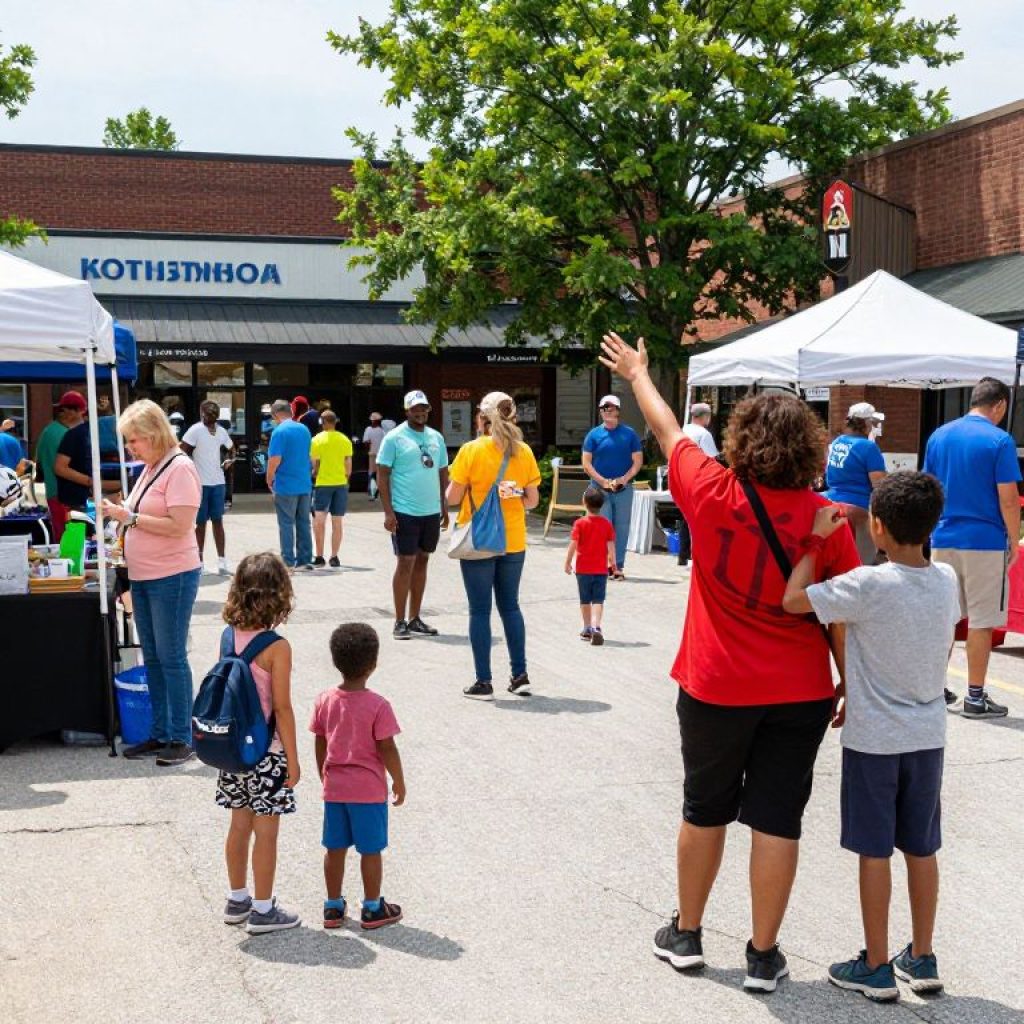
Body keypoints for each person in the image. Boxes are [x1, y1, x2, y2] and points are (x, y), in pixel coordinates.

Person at [599, 332, 859, 994]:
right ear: (809, 447)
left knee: (703, 807)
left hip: (715, 684)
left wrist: (636, 373)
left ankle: (686, 932)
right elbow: (840, 618)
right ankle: (763, 954)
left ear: (740, 440)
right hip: (799, 691)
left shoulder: (708, 489)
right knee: (777, 817)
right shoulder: (826, 518)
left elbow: (664, 427)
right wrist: (850, 685)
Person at [783, 473, 959, 1001]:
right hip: (927, 734)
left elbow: (794, 600)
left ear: (877, 526)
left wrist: (816, 538)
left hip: (874, 737)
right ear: (932, 526)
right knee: (922, 847)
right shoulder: (947, 579)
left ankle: (876, 964)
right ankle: (922, 956)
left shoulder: (865, 583)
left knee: (875, 850)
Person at [103, 399, 203, 768]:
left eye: (134, 441)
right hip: (146, 574)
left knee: (171, 657)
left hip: (171, 575)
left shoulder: (180, 468)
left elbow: (180, 526)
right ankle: (162, 732)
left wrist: (130, 517)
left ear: (154, 434)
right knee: (156, 658)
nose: (130, 448)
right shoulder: (153, 466)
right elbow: (140, 514)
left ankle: (181, 736)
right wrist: (122, 516)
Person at [924, 377, 1021, 719]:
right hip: (985, 541)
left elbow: (928, 488)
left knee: (946, 617)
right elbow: (1008, 498)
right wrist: (1013, 539)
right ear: (1000, 406)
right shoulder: (1000, 440)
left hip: (944, 537)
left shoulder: (939, 435)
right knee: (981, 621)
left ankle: (933, 690)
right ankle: (975, 697)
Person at [217, 552, 302, 935]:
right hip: (267, 753)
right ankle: (264, 910)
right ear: (280, 595)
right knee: (267, 831)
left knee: (239, 824)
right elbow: (281, 708)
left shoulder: (228, 636)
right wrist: (293, 760)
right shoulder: (276, 647)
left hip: (234, 749)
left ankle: (237, 899)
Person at [310, 623, 405, 930]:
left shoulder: (325, 700)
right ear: (373, 664)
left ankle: (333, 906)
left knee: (334, 848)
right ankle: (373, 907)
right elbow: (386, 746)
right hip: (368, 791)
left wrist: (323, 772)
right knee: (371, 849)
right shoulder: (378, 705)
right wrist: (399, 780)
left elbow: (320, 739)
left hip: (335, 788)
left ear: (336, 661)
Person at [447, 391, 542, 699]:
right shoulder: (524, 451)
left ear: (482, 418)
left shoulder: (471, 450)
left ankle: (484, 681)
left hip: (480, 539)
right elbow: (532, 501)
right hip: (513, 538)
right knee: (511, 607)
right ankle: (519, 674)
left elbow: (452, 497)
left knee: (479, 611)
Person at [377, 390, 449, 639]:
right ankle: (399, 621)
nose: (420, 412)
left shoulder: (436, 437)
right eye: (415, 408)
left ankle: (415, 617)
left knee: (423, 560)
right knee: (405, 561)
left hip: (430, 510)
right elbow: (382, 474)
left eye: (424, 408)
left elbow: (442, 471)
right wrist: (388, 512)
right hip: (404, 510)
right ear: (406, 410)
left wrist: (444, 505)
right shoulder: (394, 438)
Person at [581, 394, 643, 580]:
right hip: (599, 489)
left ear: (618, 411)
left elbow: (637, 461)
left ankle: (618, 565)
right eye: (604, 408)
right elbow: (586, 463)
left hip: (623, 488)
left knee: (622, 528)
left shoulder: (629, 434)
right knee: (602, 527)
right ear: (600, 412)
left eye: (611, 408)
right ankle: (605, 564)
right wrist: (603, 482)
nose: (608, 411)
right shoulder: (593, 435)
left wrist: (624, 479)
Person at [825, 403, 887, 565]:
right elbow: (880, 485)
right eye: (872, 423)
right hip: (858, 510)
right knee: (859, 564)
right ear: (866, 424)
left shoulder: (838, 442)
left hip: (831, 503)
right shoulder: (868, 447)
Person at [181, 400, 235, 575]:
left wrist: (229, 460)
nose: (209, 416)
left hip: (218, 483)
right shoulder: (195, 430)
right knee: (201, 523)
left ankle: (221, 560)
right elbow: (182, 452)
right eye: (207, 413)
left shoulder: (221, 431)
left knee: (218, 522)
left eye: (212, 413)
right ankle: (200, 561)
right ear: (202, 414)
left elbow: (232, 449)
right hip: (200, 484)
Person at [564, 487, 617, 644]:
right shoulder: (606, 524)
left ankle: (587, 628)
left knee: (585, 600)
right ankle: (596, 627)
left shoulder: (580, 523)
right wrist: (613, 564)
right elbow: (611, 546)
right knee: (598, 600)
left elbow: (573, 545)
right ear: (601, 505)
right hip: (600, 570)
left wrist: (567, 562)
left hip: (583, 569)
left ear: (584, 503)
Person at [266, 399, 314, 572]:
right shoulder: (304, 429)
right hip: (304, 483)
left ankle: (288, 561)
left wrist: (269, 477)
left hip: (286, 484)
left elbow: (275, 459)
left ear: (276, 414)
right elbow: (310, 456)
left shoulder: (279, 432)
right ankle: (304, 560)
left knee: (286, 523)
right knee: (304, 522)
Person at [55, 395, 121, 512]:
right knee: (95, 529)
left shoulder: (73, 435)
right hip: (88, 499)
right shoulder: (85, 434)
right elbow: (61, 468)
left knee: (77, 529)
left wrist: (93, 482)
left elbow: (60, 467)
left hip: (79, 501)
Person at [310, 410, 353, 568]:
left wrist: (315, 473)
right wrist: (345, 478)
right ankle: (334, 556)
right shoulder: (345, 440)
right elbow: (348, 463)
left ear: (322, 422)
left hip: (323, 484)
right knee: (337, 521)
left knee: (319, 520)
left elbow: (315, 464)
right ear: (335, 422)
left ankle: (320, 556)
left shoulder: (316, 440)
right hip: (340, 484)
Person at [34, 394, 79, 540]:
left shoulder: (47, 431)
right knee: (71, 540)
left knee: (60, 537)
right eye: (81, 414)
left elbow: (39, 465)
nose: (82, 419)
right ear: (70, 412)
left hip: (52, 492)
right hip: (66, 494)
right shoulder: (66, 435)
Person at [362, 412, 386, 500]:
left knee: (372, 474)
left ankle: (373, 493)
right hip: (380, 454)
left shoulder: (368, 429)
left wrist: (369, 449)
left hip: (373, 454)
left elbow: (366, 442)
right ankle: (377, 493)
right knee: (378, 474)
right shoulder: (382, 431)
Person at [96, 395, 120, 461]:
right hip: (97, 452)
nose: (102, 403)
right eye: (100, 401)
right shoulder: (95, 420)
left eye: (104, 400)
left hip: (113, 452)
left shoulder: (116, 419)